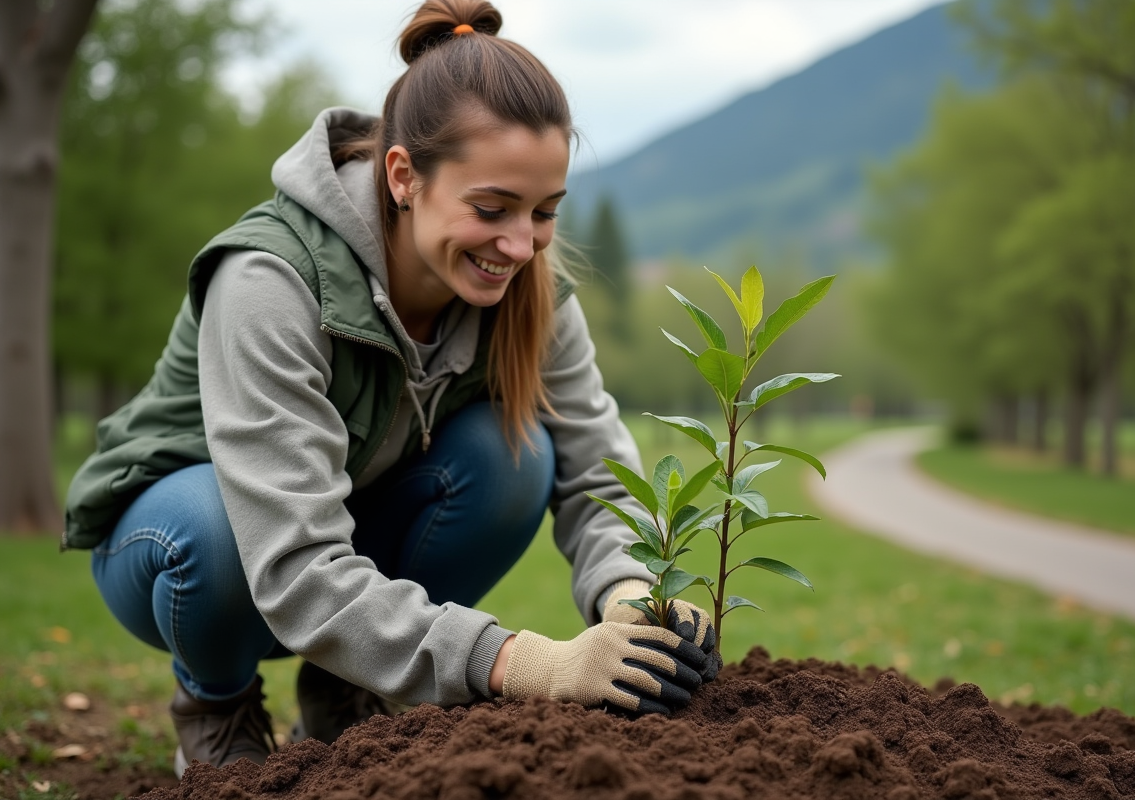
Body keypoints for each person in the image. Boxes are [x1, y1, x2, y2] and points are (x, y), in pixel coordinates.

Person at [62, 0, 719, 778]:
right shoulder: (270, 279)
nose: (520, 245)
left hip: (336, 541)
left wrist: (632, 594)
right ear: (404, 175)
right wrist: (525, 662)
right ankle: (215, 703)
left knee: (518, 456)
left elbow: (597, 470)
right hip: (187, 550)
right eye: (491, 207)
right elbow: (296, 565)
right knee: (215, 528)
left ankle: (347, 687)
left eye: (544, 212)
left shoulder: (530, 292)